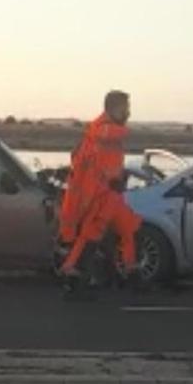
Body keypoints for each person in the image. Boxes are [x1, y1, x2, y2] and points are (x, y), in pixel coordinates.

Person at [58, 91, 142, 294]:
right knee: (89, 238)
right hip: (100, 197)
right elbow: (107, 138)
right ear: (113, 108)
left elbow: (106, 164)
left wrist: (119, 178)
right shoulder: (102, 131)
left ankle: (130, 272)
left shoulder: (102, 133)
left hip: (111, 195)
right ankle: (73, 278)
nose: (128, 112)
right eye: (125, 108)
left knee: (129, 228)